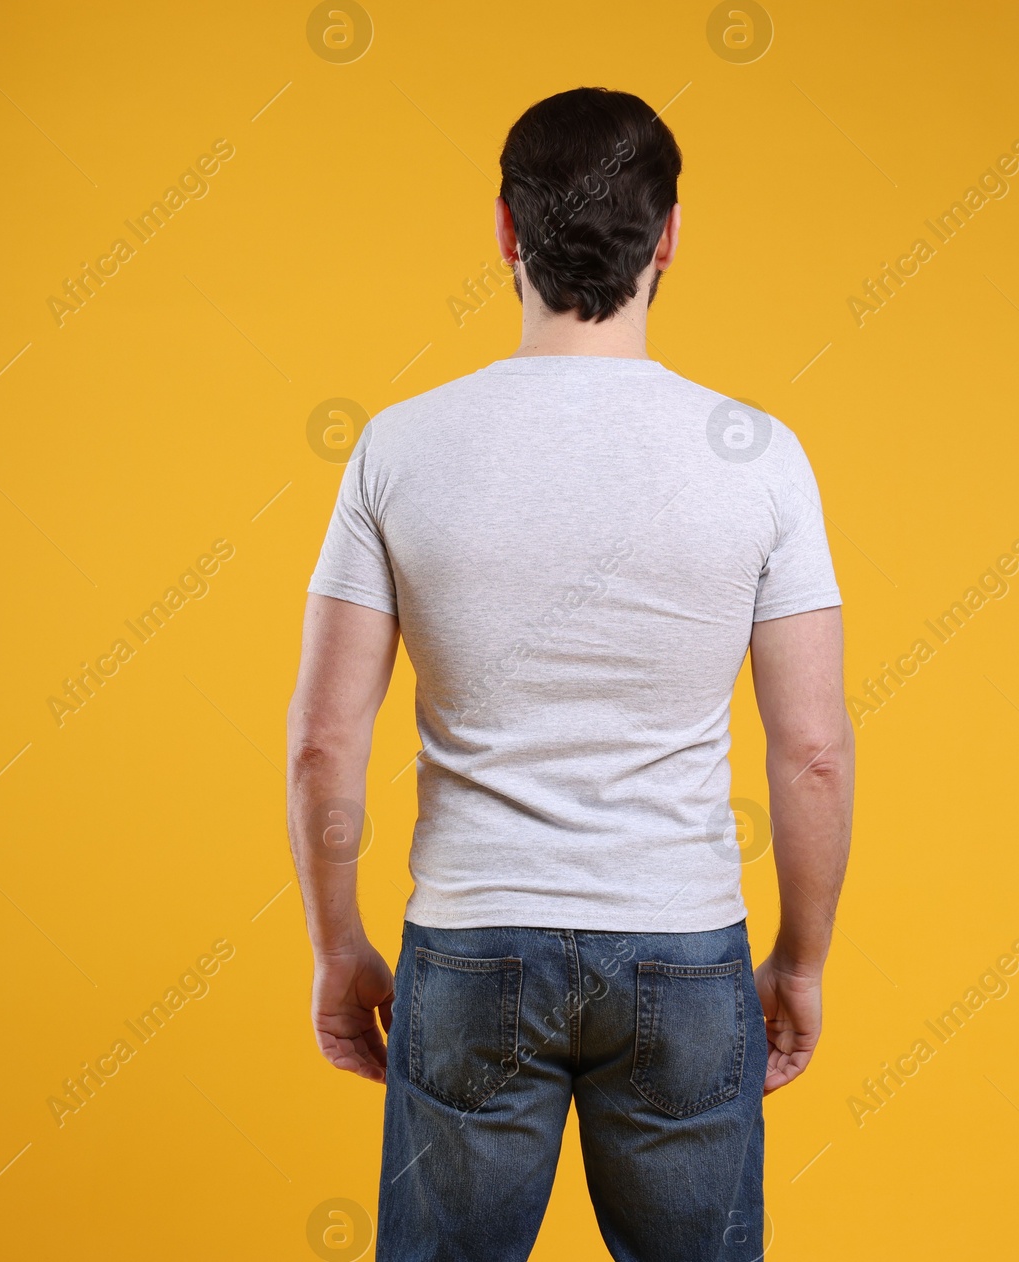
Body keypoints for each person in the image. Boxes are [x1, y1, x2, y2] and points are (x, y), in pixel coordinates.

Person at [288, 86, 855, 1262]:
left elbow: (323, 746)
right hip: (684, 942)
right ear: (669, 237)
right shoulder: (760, 457)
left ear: (505, 231)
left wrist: (336, 946)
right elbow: (811, 749)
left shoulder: (400, 446)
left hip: (470, 939)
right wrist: (798, 959)